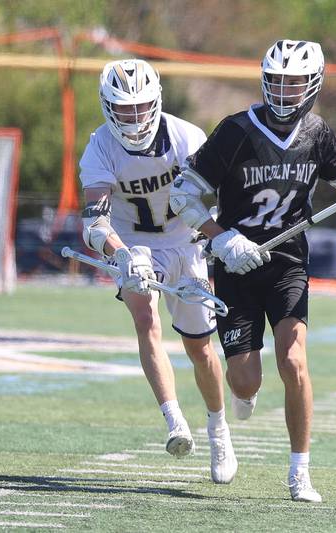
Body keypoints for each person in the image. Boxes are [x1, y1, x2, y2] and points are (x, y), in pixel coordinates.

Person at [169, 39, 336, 502]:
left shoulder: (319, 135)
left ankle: (300, 473)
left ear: (312, 85)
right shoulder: (235, 132)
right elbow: (181, 196)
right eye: (276, 80)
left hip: (287, 262)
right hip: (236, 264)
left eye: (293, 82)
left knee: (294, 361)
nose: (283, 90)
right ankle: (243, 391)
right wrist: (222, 236)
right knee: (245, 381)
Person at [78, 59, 237, 484]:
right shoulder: (99, 147)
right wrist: (120, 252)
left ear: (157, 100)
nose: (133, 117)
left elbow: (211, 197)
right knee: (145, 320)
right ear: (108, 107)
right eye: (123, 109)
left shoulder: (186, 136)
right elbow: (94, 221)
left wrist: (216, 237)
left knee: (201, 348)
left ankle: (218, 428)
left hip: (185, 240)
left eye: (140, 106)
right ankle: (174, 422)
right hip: (135, 244)